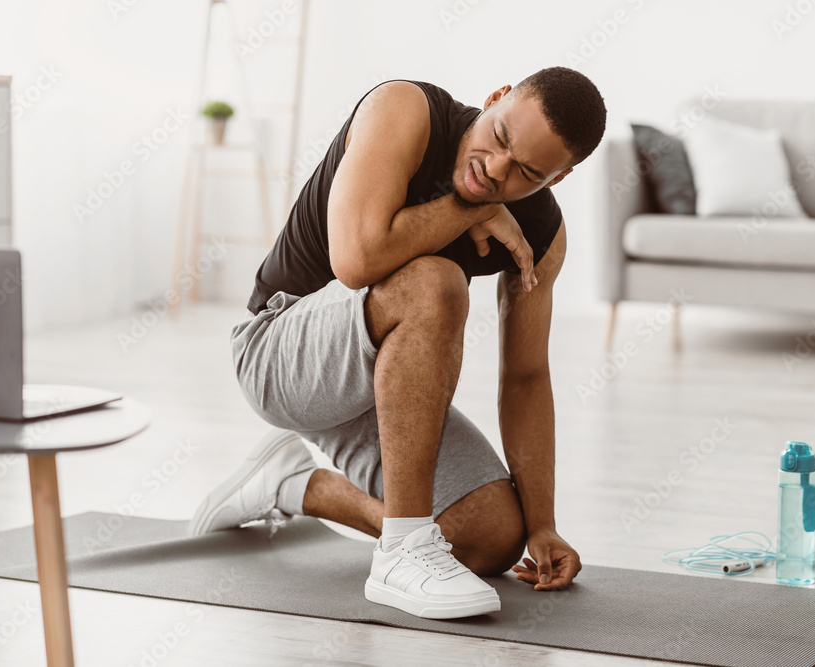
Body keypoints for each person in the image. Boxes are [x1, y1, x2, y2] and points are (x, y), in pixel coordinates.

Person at [189, 67, 607, 619]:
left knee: (493, 536)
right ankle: (404, 550)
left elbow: (526, 377)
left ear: (556, 179)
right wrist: (471, 209)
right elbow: (357, 260)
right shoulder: (405, 110)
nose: (495, 170)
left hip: (374, 384)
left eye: (526, 172)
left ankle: (292, 485)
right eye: (500, 137)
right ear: (496, 98)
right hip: (277, 353)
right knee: (434, 283)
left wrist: (544, 523)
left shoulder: (543, 239)